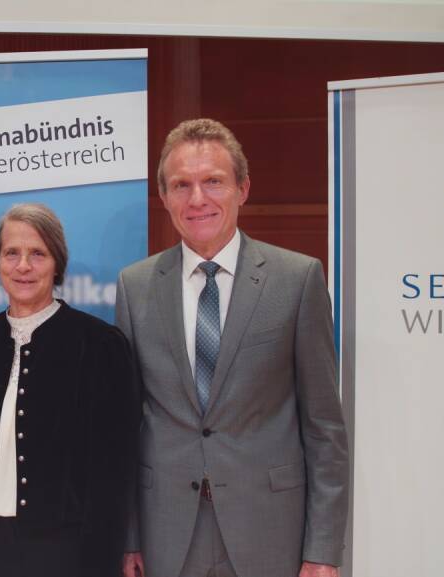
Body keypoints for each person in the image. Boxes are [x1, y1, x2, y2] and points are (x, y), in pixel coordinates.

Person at [115, 119, 349, 577]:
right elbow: (126, 425)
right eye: (181, 185)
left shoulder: (297, 279)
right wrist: (129, 537)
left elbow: (324, 428)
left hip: (270, 529)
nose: (197, 199)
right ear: (164, 198)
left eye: (213, 182)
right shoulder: (135, 285)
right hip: (167, 532)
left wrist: (322, 551)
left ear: (243, 189)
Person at [0, 203, 139, 577]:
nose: (23, 266)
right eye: (11, 253)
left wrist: (101, 562)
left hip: (66, 553)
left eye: (38, 254)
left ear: (57, 263)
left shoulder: (99, 346)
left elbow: (112, 473)